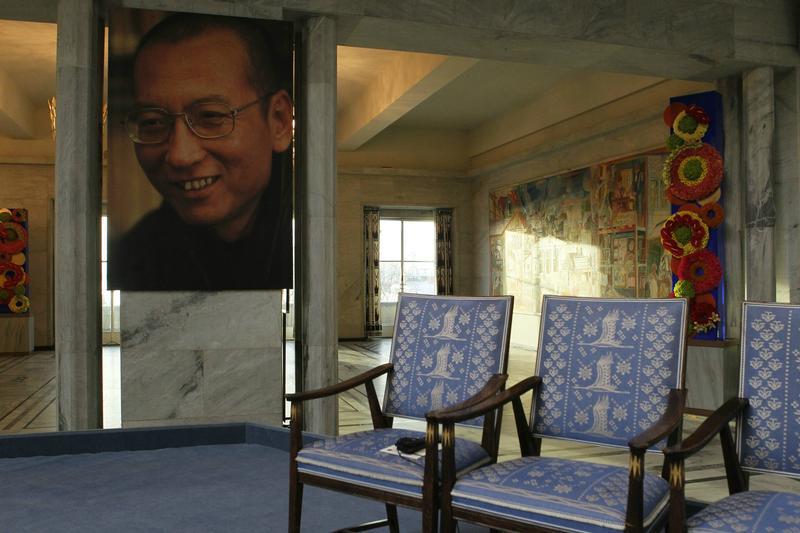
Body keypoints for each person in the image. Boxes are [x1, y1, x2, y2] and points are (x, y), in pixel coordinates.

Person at [109, 13, 293, 290]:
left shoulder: (311, 237)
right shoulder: (136, 255)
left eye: (210, 116)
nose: (180, 155)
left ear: (278, 120)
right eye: (152, 122)